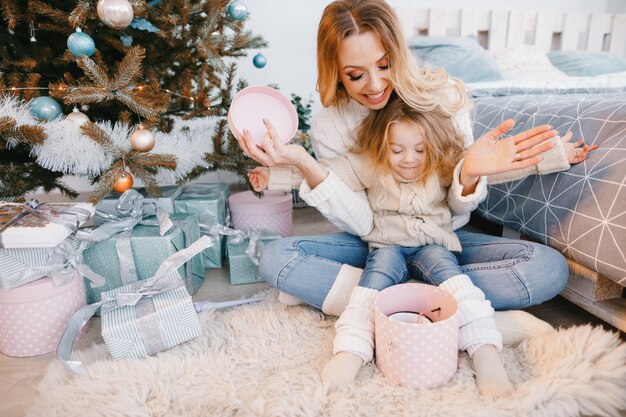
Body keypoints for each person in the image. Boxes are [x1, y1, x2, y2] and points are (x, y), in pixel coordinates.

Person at [235, 0, 596, 393]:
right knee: (277, 258)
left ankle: (372, 304)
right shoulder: (332, 125)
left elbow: (458, 208)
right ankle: (464, 316)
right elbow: (362, 221)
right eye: (355, 75)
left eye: (384, 65)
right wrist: (294, 166)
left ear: (400, 55)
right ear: (336, 73)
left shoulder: (442, 98)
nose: (374, 86)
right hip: (376, 239)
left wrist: (475, 172)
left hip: (440, 236)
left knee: (547, 269)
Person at [248, 95, 525, 397]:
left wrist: (558, 155)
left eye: (419, 149)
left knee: (454, 278)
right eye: (397, 150)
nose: (409, 159)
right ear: (383, 147)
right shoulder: (370, 164)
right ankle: (351, 352)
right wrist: (273, 176)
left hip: (434, 245)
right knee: (371, 285)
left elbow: (499, 171)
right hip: (385, 246)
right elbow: (324, 170)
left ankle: (485, 351)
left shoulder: (442, 163)